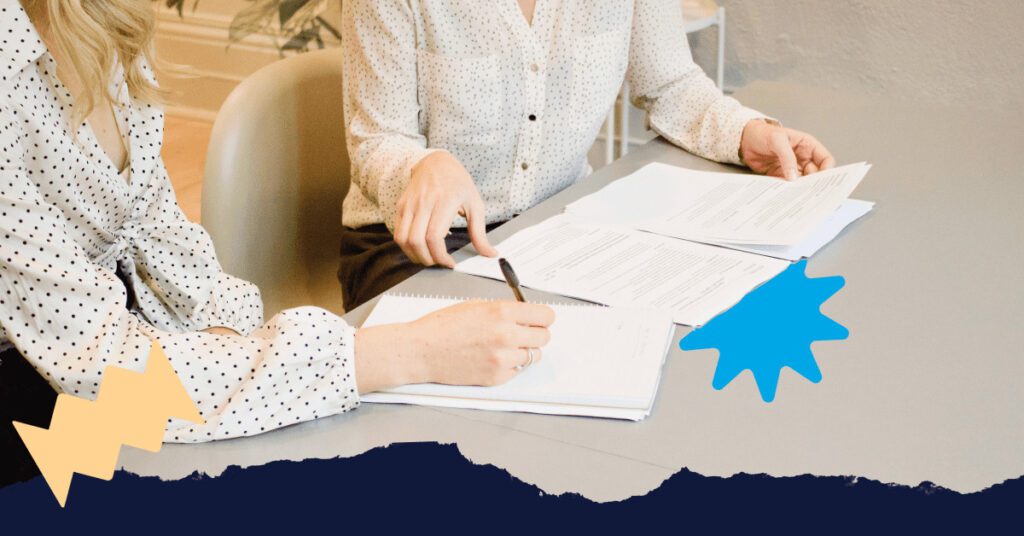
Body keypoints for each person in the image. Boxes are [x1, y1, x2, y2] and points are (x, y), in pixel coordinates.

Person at [0, 0, 554, 486]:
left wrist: (226, 347)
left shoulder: (102, 25)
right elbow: (103, 365)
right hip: (34, 401)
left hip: (114, 355)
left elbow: (162, 241)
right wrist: (405, 353)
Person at [338, 0, 837, 310]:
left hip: (556, 230)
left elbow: (670, 84)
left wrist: (745, 131)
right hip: (411, 246)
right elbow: (377, 141)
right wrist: (422, 167)